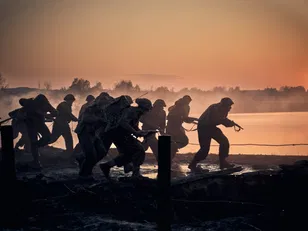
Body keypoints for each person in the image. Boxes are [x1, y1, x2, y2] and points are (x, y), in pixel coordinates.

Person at [99, 98, 154, 178]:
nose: (147, 112)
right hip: (118, 133)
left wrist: (143, 132)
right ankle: (136, 174)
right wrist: (135, 132)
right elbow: (123, 123)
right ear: (143, 108)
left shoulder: (136, 113)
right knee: (139, 150)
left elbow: (133, 126)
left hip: (119, 133)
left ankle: (107, 166)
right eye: (147, 110)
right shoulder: (132, 111)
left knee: (128, 154)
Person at [188, 97, 241, 172]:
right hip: (204, 128)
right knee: (204, 149)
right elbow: (220, 120)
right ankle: (193, 165)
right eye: (228, 106)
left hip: (211, 127)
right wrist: (229, 123)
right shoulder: (215, 109)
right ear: (224, 105)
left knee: (224, 142)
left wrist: (230, 123)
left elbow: (222, 120)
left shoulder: (221, 109)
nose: (230, 108)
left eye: (230, 106)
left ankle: (223, 162)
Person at [19, 94, 58, 168]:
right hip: (31, 125)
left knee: (47, 137)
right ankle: (36, 161)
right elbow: (20, 114)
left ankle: (36, 146)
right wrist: (24, 117)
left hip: (40, 124)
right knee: (33, 141)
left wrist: (50, 114)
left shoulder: (46, 104)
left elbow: (55, 112)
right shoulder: (30, 104)